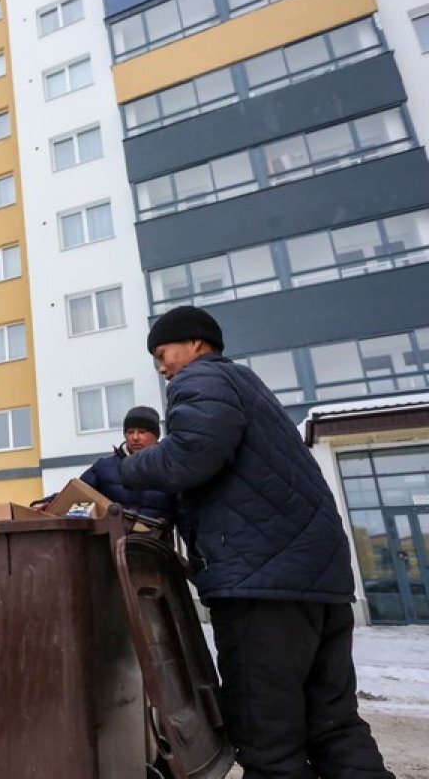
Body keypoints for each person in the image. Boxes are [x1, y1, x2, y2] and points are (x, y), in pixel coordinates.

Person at [119, 305, 392, 779]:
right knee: (334, 727)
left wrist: (125, 470)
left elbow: (188, 457)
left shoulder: (201, 380)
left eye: (163, 354)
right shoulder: (249, 387)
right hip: (317, 583)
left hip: (261, 587)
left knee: (269, 744)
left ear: (196, 345)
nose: (162, 367)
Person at [33, 406, 179, 526]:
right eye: (129, 432)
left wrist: (196, 559)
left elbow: (186, 517)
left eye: (142, 432)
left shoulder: (172, 468)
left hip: (157, 550)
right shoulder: (104, 467)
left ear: (156, 435)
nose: (135, 437)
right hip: (113, 548)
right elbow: (76, 492)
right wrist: (45, 503)